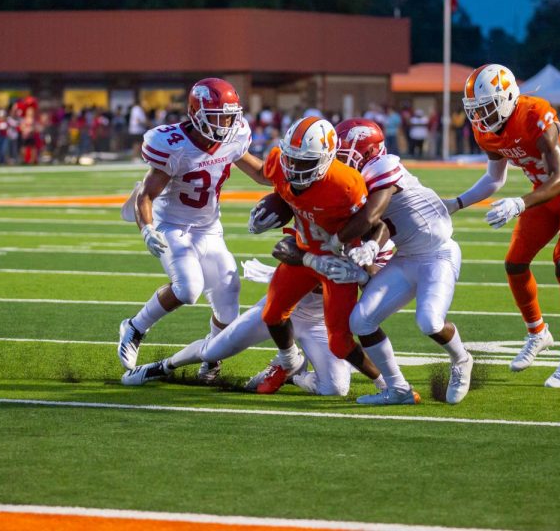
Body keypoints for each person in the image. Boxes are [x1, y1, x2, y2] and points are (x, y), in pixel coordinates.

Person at [447, 64, 560, 388]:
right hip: (542, 194)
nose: (481, 117)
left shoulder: (535, 113)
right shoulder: (486, 131)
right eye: (476, 110)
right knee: (515, 263)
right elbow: (494, 179)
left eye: (486, 107)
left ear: (506, 99)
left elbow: (559, 177)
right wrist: (456, 203)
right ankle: (538, 333)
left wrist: (519, 203)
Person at [117, 78, 272, 380]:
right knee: (188, 289)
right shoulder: (173, 145)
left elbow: (260, 173)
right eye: (219, 117)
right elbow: (146, 195)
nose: (227, 123)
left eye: (230, 115)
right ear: (197, 114)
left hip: (209, 228)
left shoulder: (233, 137)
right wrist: (147, 229)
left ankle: (211, 358)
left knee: (229, 299)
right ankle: (135, 326)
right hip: (173, 225)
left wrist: (293, 179)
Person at [326, 118, 473, 405]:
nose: (339, 159)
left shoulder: (383, 165)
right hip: (406, 258)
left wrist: (339, 241)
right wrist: (368, 248)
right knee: (361, 321)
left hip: (437, 254)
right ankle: (398, 389)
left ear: (367, 152)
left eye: (344, 152)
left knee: (430, 322)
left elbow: (371, 216)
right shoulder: (358, 178)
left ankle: (462, 359)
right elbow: (380, 224)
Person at [122, 236, 376, 396]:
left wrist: (364, 272)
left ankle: (292, 371)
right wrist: (310, 262)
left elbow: (378, 288)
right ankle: (162, 367)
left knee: (336, 389)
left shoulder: (370, 243)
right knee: (212, 352)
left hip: (320, 322)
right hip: (282, 307)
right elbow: (283, 247)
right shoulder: (317, 220)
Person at [253, 116, 387, 395]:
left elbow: (375, 223)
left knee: (339, 342)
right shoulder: (278, 161)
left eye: (305, 162)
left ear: (327, 159)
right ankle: (289, 361)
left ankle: (385, 382)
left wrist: (368, 252)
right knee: (271, 314)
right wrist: (268, 210)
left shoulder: (346, 184)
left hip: (337, 264)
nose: (294, 167)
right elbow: (284, 194)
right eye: (291, 158)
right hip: (302, 255)